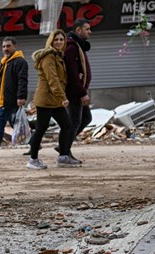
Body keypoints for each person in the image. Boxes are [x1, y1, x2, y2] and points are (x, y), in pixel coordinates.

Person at [26, 29, 79, 170]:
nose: (59, 42)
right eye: (56, 40)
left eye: (62, 39)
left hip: (54, 99)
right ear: (51, 41)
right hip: (46, 99)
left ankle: (63, 157)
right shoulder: (49, 56)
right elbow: (53, 79)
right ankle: (33, 159)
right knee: (41, 129)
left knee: (66, 126)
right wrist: (63, 97)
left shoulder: (58, 56)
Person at [62, 19, 93, 163]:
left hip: (78, 90)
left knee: (86, 118)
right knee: (73, 122)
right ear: (78, 30)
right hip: (74, 92)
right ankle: (64, 152)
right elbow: (72, 74)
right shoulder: (71, 47)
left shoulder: (78, 46)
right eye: (87, 29)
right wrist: (82, 92)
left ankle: (64, 146)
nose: (90, 32)